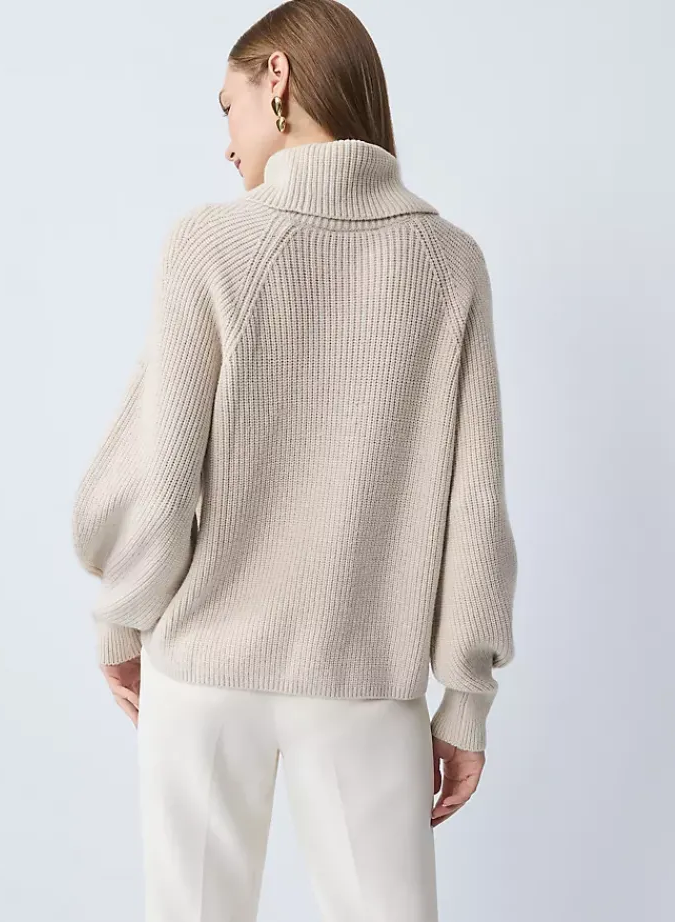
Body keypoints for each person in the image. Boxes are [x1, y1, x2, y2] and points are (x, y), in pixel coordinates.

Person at [70, 1, 518, 919]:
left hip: (203, 673)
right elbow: (473, 507)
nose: (226, 142)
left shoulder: (210, 243)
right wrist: (465, 700)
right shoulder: (450, 264)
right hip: (367, 685)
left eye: (227, 107)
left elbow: (159, 481)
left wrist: (119, 619)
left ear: (277, 78)